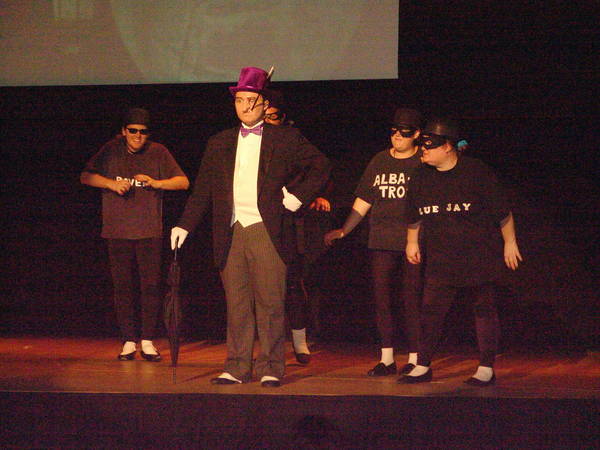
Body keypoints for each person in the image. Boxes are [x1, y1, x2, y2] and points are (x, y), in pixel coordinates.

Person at [170, 67, 329, 387]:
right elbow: (203, 190)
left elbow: (321, 165)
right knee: (237, 303)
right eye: (239, 100)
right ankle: (237, 366)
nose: (244, 106)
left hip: (266, 228)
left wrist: (297, 198)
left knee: (270, 303)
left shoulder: (284, 138)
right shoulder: (219, 142)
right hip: (232, 230)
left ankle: (271, 366)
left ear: (264, 104)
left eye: (251, 100)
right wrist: (185, 225)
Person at [401, 117, 522, 386]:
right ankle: (422, 365)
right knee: (430, 312)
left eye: (429, 145)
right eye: (422, 145)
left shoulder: (475, 172)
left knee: (483, 308)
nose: (423, 150)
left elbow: (502, 211)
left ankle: (486, 368)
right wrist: (412, 242)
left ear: (447, 147)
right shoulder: (420, 176)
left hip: (477, 255)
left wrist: (510, 242)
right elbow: (413, 214)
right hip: (440, 258)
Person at [80, 107, 190, 361]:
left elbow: (183, 182)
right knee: (123, 287)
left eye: (143, 132)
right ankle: (129, 341)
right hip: (117, 230)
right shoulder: (111, 149)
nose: (138, 136)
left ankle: (147, 340)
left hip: (148, 230)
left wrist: (157, 183)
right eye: (133, 131)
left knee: (150, 286)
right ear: (123, 131)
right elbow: (86, 176)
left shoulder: (158, 152)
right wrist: (111, 184)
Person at [324, 107, 424, 377]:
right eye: (394, 131)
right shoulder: (380, 160)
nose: (397, 136)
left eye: (404, 132)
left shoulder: (422, 162)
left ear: (416, 134)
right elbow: (365, 199)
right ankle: (387, 358)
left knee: (411, 299)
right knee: (382, 299)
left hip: (413, 240)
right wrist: (345, 230)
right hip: (381, 239)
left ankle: (415, 358)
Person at [264, 89, 332, 364]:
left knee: (292, 283)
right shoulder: (249, 139)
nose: (268, 122)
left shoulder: (292, 139)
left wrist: (301, 197)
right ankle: (267, 346)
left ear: (283, 117)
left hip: (289, 221)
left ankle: (300, 341)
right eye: (264, 117)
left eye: (273, 116)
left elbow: (319, 167)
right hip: (257, 220)